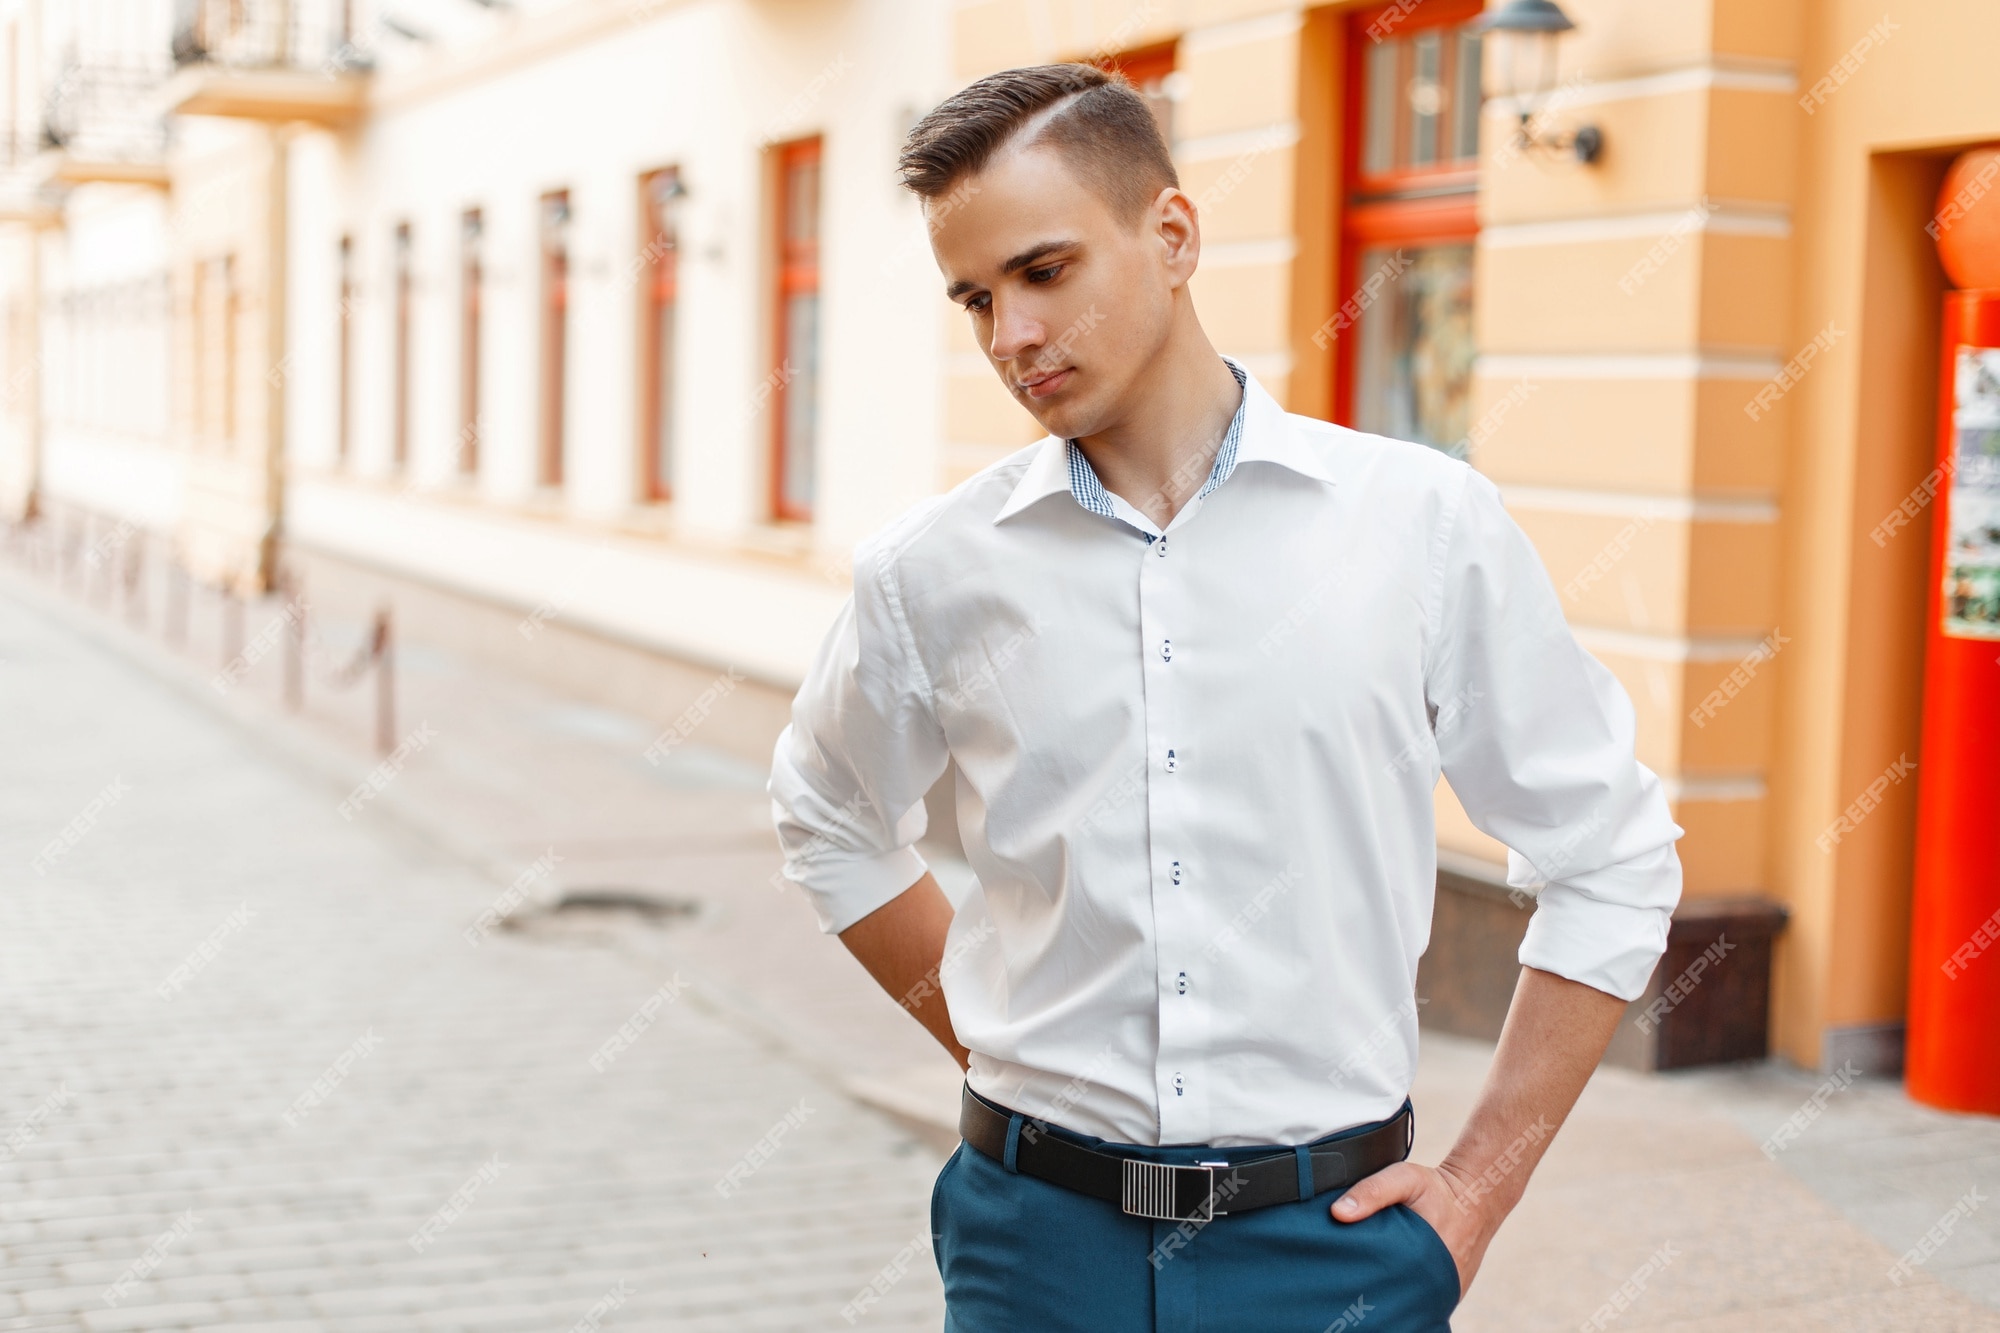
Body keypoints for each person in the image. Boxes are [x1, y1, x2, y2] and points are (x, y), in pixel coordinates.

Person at [769, 63, 1682, 1332]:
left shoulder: (1415, 525)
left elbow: (1611, 855)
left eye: (1043, 273)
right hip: (1033, 1248)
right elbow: (824, 811)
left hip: (1331, 1253)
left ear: (1173, 235)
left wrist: (1477, 1187)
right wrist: (992, 1050)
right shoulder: (932, 571)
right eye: (975, 299)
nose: (1009, 339)